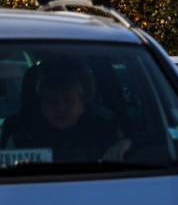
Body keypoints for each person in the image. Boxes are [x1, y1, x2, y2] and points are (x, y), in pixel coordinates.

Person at [0, 62, 131, 162]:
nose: (61, 108)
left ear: (82, 106)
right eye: (52, 102)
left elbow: (145, 147)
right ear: (41, 107)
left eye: (69, 101)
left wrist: (127, 143)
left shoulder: (103, 130)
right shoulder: (21, 135)